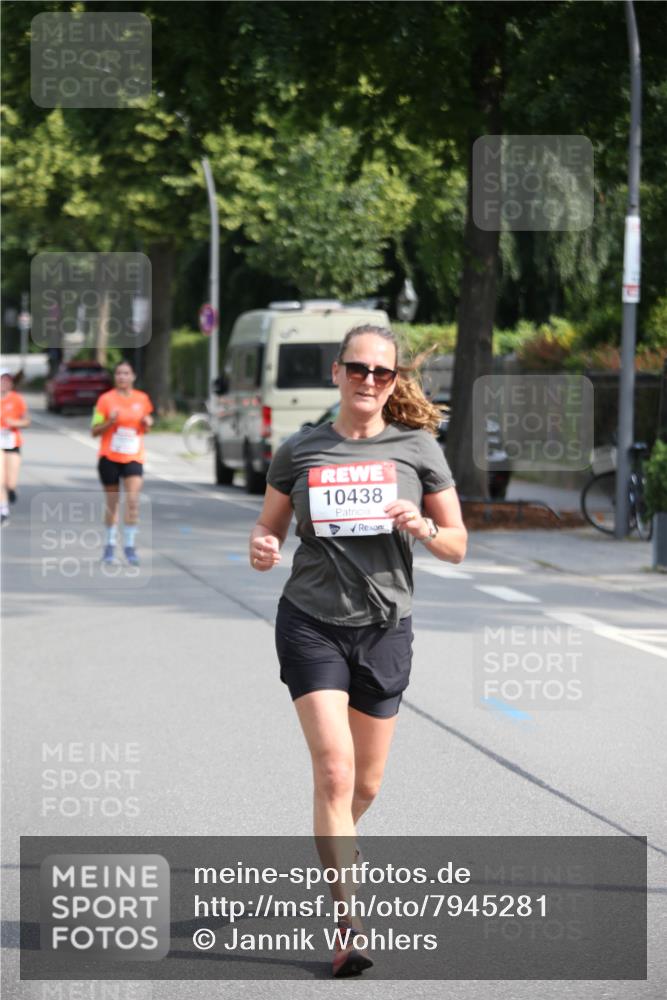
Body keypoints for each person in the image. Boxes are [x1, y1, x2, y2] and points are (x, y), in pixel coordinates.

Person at [249, 324, 467, 977]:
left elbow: (457, 542)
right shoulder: (300, 451)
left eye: (382, 372)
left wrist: (424, 527)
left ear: (394, 381)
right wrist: (261, 548)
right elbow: (268, 529)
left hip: (385, 627)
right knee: (335, 773)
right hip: (311, 620)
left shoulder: (418, 449)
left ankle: (334, 837)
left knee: (363, 786)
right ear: (338, 373)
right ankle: (349, 926)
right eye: (357, 369)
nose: (368, 380)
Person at [91, 360, 153, 565]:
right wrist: (110, 421)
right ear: (115, 377)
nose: (122, 377)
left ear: (133, 376)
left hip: (133, 456)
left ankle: (129, 545)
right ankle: (109, 546)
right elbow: (94, 430)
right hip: (109, 457)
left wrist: (148, 423)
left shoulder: (142, 399)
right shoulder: (105, 400)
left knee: (133, 501)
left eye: (126, 373)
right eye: (118, 373)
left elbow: (146, 425)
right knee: (113, 504)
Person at [0, 369, 30, 525]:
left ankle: (11, 490)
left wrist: (15, 423)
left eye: (8, 380)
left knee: (10, 482)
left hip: (12, 442)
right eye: (2, 380)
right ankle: (3, 510)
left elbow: (26, 421)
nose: (5, 383)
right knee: (0, 479)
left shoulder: (17, 399)